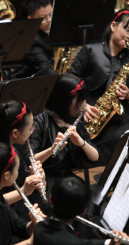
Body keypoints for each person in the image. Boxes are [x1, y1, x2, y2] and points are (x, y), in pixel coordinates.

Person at [70, 9, 129, 165]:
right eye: (126, 29)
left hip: (118, 113)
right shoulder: (90, 50)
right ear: (113, 26)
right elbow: (70, 80)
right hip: (88, 108)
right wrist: (82, 104)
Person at [28, 73, 99, 213]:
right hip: (44, 180)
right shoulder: (40, 122)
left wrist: (81, 142)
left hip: (66, 177)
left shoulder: (75, 120)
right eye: (81, 101)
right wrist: (51, 149)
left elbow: (95, 156)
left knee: (87, 205)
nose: (85, 106)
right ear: (65, 101)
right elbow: (30, 160)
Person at [0, 100, 45, 220]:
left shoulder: (16, 145)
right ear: (15, 132)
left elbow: (22, 181)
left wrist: (40, 179)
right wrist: (23, 191)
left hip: (17, 202)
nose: (32, 131)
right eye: (31, 128)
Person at [33, 175, 129, 245]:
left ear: (50, 199)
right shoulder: (71, 241)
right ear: (84, 210)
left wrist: (109, 243)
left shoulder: (38, 227)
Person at [12, 0, 57, 78]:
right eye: (43, 18)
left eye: (51, 14)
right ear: (30, 19)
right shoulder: (32, 42)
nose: (49, 20)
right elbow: (47, 72)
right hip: (28, 86)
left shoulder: (46, 31)